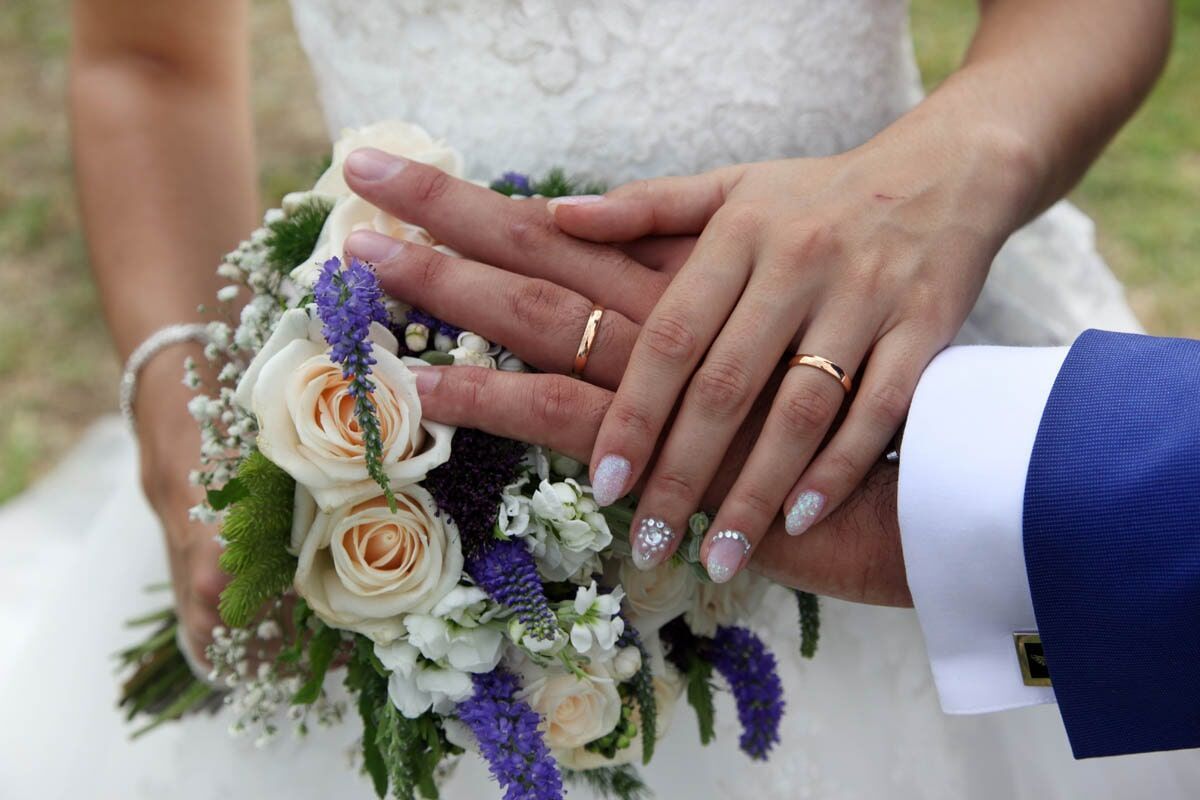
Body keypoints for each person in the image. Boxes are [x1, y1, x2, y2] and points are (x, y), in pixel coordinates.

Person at [0, 0, 1187, 797]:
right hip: (402, 414)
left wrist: (948, 174)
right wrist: (180, 420)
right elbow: (144, 56)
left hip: (890, 354)